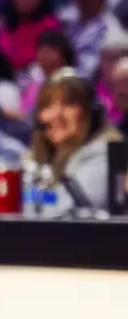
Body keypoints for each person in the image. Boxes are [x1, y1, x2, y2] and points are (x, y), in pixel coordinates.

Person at [27, 69, 123, 212]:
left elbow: (61, 210)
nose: (56, 114)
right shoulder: (35, 159)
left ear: (91, 112)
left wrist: (34, 196)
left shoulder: (104, 156)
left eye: (68, 104)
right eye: (48, 105)